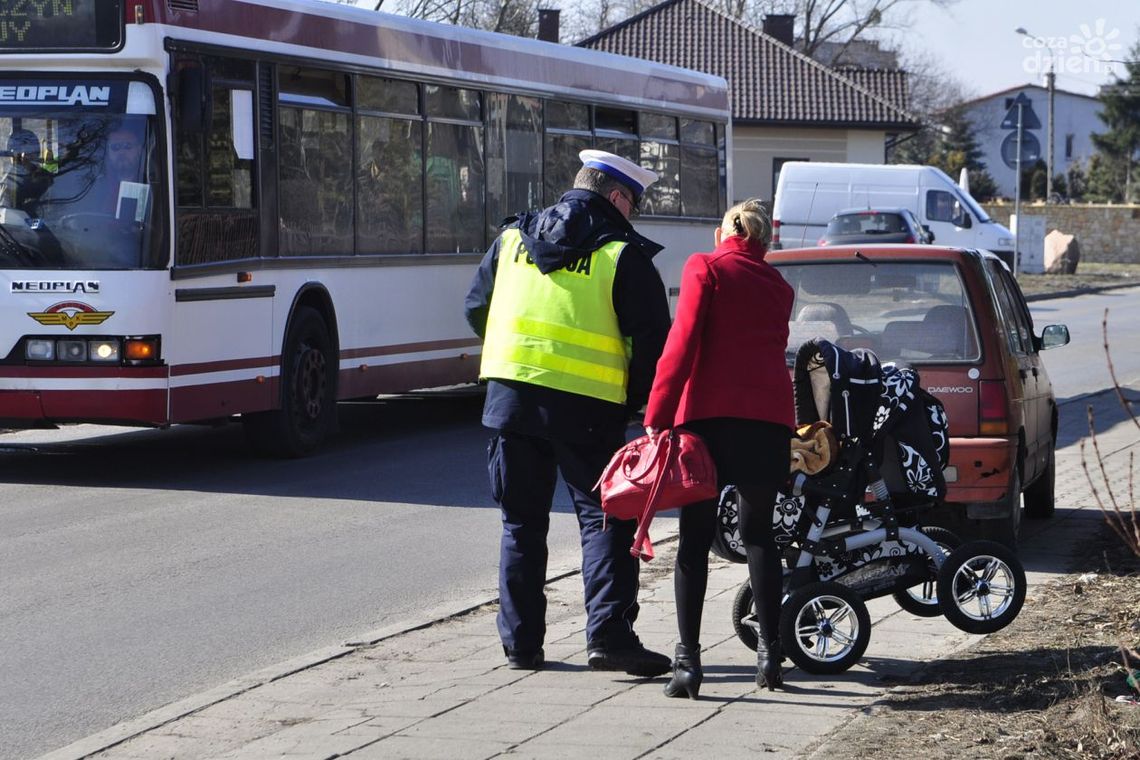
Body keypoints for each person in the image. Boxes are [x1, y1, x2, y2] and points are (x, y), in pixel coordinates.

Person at [465, 149, 673, 676]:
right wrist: (640, 401)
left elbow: (475, 308)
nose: (634, 216)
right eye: (635, 205)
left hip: (510, 405)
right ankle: (608, 638)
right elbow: (653, 341)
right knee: (606, 521)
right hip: (588, 410)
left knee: (521, 525)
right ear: (618, 197)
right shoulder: (622, 254)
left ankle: (521, 647)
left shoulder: (512, 239)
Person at [643, 198, 795, 698]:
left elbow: (681, 343)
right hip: (768, 423)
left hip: (708, 422)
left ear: (724, 231)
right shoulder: (779, 286)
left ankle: (688, 665)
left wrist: (657, 415)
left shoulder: (704, 267)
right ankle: (770, 657)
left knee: (694, 542)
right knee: (759, 537)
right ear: (763, 240)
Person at [1, 129, 52, 214]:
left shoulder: (45, 179)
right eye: (18, 152)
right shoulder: (7, 178)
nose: (23, 156)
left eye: (28, 152)